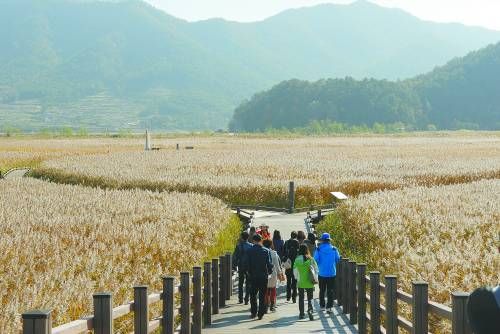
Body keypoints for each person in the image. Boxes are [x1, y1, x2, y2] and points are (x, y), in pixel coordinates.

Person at [246, 234, 273, 320]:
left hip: (253, 276)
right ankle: (260, 313)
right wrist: (270, 272)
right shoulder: (266, 251)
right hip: (263, 276)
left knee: (253, 294)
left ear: (253, 240)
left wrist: (248, 273)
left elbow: (247, 264)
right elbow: (269, 264)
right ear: (261, 240)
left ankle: (253, 312)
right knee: (262, 295)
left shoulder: (250, 251)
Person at [314, 232, 341, 313]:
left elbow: (316, 260)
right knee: (330, 290)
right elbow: (337, 259)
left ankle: (322, 306)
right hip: (331, 273)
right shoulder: (334, 249)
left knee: (322, 290)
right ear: (329, 240)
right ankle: (329, 307)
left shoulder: (318, 249)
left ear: (322, 240)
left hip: (321, 273)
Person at [293, 244, 318, 320]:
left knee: (301, 298)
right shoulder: (311, 259)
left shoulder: (297, 259)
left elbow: (295, 271)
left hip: (301, 282)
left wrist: (297, 278)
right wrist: (315, 278)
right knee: (310, 297)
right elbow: (316, 269)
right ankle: (310, 310)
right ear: (307, 250)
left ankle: (301, 314)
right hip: (310, 281)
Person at [232, 231, 253, 304]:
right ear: (248, 237)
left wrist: (234, 266)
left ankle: (240, 298)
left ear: (241, 237)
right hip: (249, 266)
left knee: (240, 283)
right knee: (248, 283)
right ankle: (247, 298)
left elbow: (235, 257)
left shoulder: (238, 246)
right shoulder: (251, 246)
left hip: (241, 266)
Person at [263, 239, 283, 312]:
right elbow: (277, 265)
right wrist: (279, 274)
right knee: (273, 289)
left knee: (266, 290)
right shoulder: (274, 253)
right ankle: (272, 305)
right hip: (273, 274)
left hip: (264, 273)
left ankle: (265, 305)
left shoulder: (262, 252)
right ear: (271, 244)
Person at [283, 231, 300, 302]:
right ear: (296, 236)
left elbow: (283, 252)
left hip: (288, 264)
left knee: (288, 282)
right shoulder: (297, 242)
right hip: (295, 265)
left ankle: (288, 296)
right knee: (294, 282)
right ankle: (294, 298)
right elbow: (299, 253)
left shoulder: (286, 242)